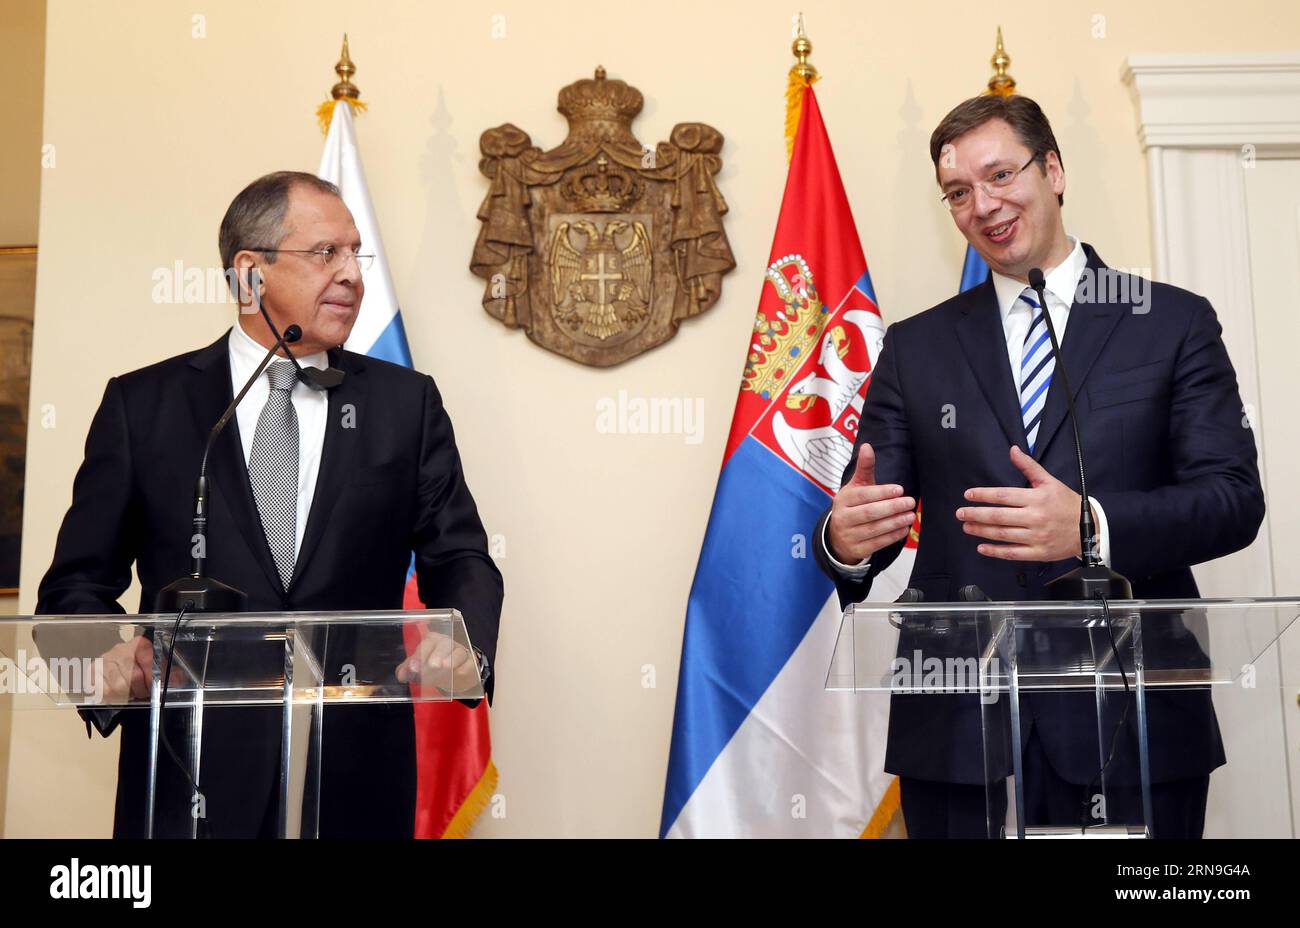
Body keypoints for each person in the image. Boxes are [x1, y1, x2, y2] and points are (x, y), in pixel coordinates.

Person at [814, 95, 1264, 838]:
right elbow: (874, 508)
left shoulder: (1172, 322)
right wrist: (847, 538)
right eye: (958, 192)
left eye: (999, 175)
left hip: (1131, 716)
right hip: (959, 729)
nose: (982, 206)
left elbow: (1232, 499)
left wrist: (1091, 526)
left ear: (1053, 170)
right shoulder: (915, 347)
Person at [36, 171, 502, 838]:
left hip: (355, 774)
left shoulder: (405, 405)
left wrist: (463, 640)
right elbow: (78, 581)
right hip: (189, 774)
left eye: (355, 254)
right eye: (326, 253)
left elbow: (459, 554)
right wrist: (103, 655)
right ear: (249, 274)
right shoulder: (146, 406)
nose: (351, 274)